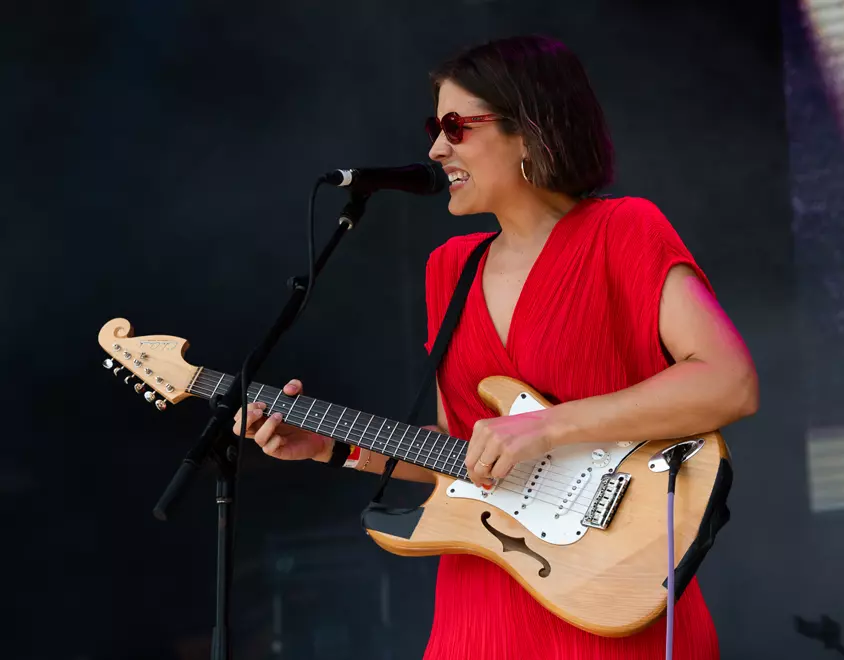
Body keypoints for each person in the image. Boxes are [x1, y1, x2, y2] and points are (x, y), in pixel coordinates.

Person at [234, 35, 758, 660]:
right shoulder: (447, 270)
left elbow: (729, 382)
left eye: (455, 126)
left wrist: (545, 427)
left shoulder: (624, 230)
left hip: (613, 598)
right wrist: (332, 448)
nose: (434, 149)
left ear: (531, 128)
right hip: (479, 617)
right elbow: (462, 458)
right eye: (435, 127)